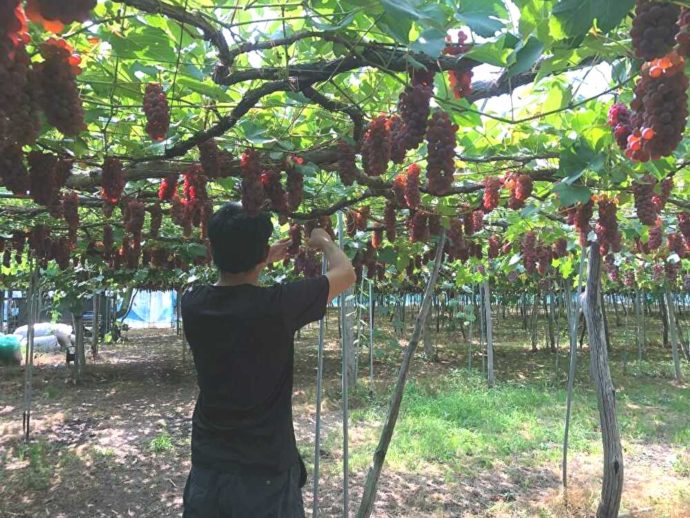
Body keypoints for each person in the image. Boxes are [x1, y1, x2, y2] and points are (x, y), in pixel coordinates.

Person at [181, 202, 356, 517]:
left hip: (210, 467)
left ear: (211, 248)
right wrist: (324, 240)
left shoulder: (192, 305)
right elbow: (345, 273)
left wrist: (258, 258)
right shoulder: (277, 307)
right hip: (265, 471)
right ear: (261, 255)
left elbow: (227, 280)